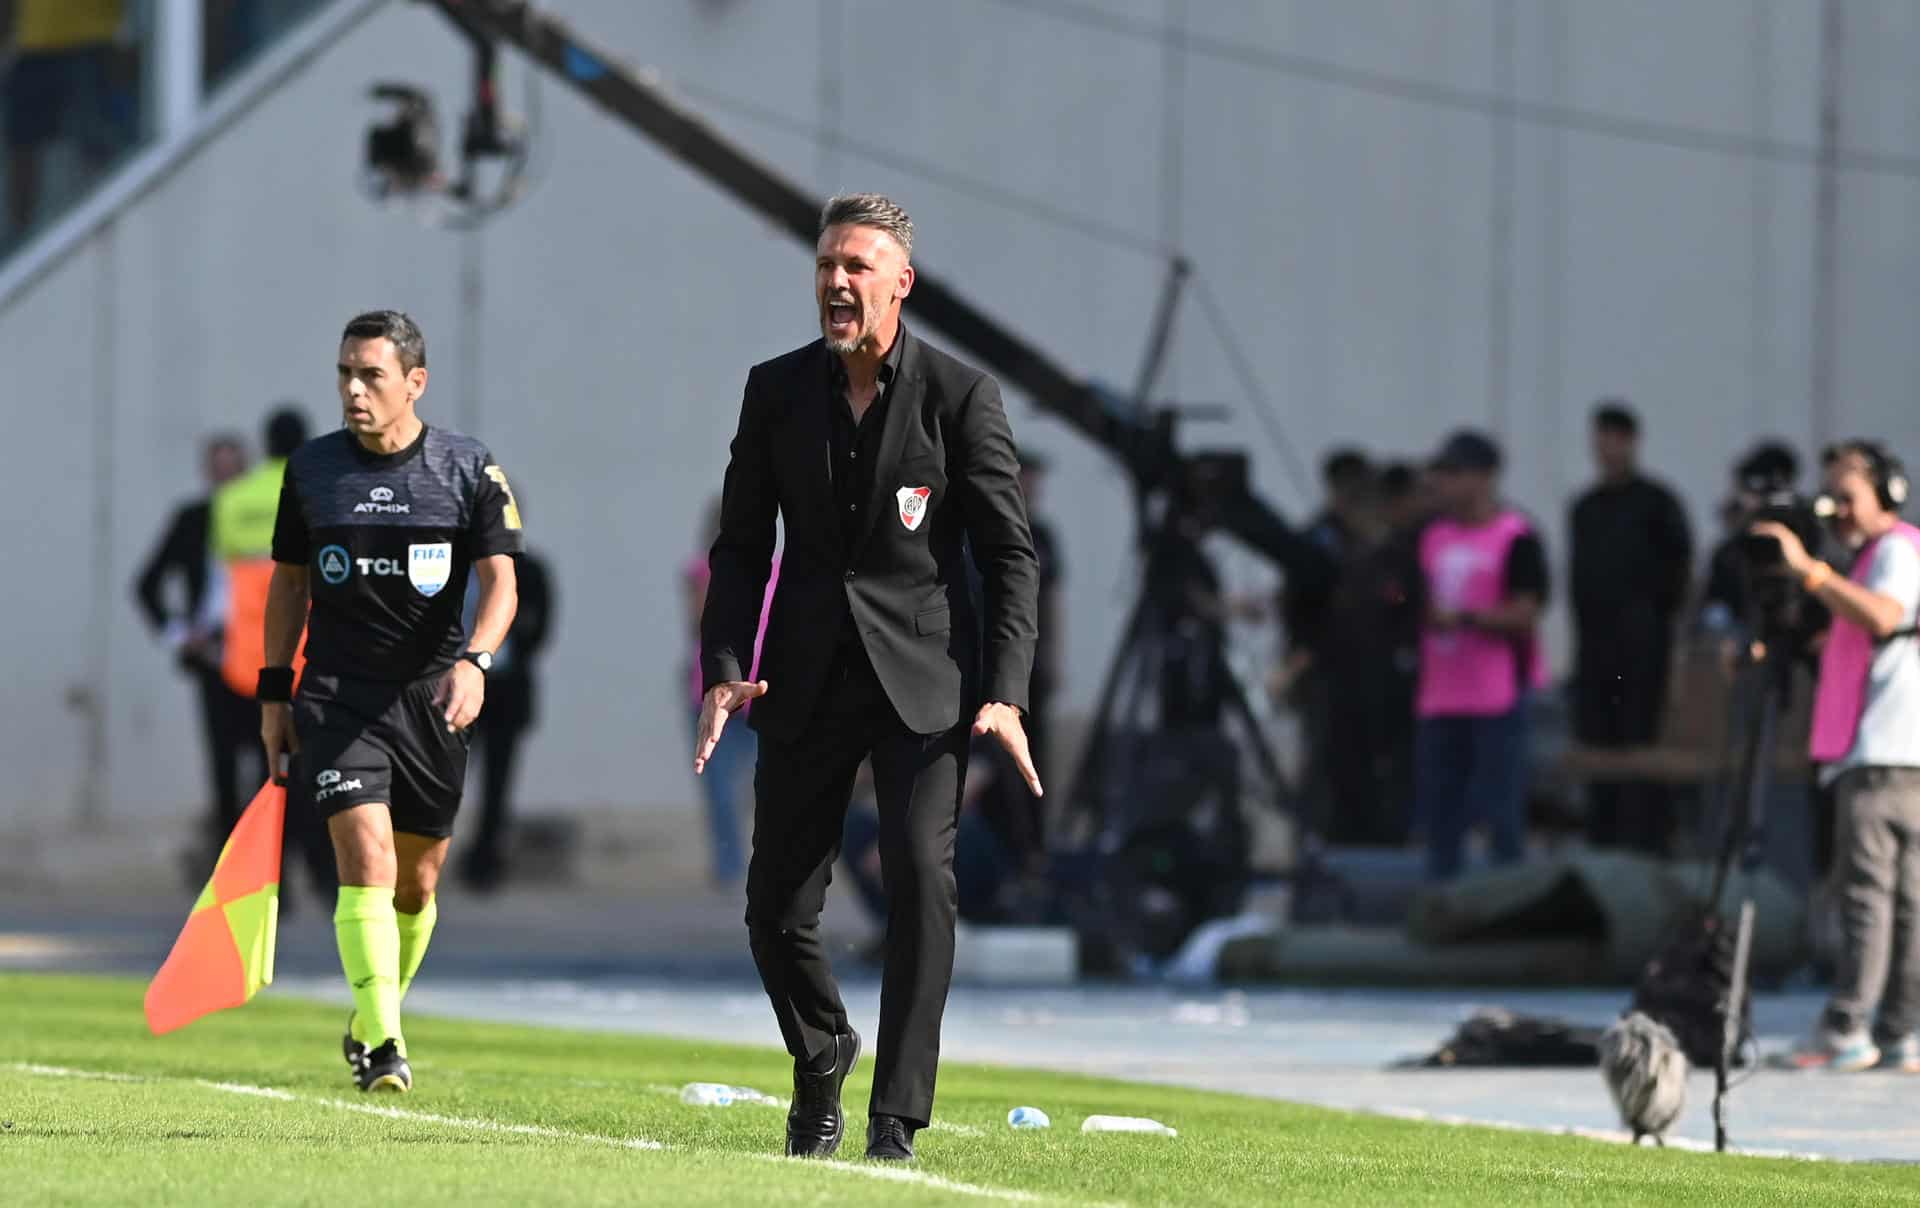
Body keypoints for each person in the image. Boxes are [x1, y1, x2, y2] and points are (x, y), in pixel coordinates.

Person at [696, 194, 1040, 1162]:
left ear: (900, 282)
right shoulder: (775, 389)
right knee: (776, 906)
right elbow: (739, 545)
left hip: (925, 678)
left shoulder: (961, 395)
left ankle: (897, 1115)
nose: (838, 282)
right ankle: (822, 1050)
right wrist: (726, 663)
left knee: (924, 878)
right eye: (826, 266)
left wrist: (1005, 691)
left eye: (858, 266)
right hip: (801, 676)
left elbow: (1010, 555)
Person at [261, 310, 523, 1094]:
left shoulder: (467, 467)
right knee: (365, 859)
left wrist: (477, 661)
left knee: (417, 884)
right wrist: (276, 692)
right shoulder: (311, 470)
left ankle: (373, 1014)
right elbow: (288, 585)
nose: (352, 389)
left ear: (415, 382)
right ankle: (383, 1044)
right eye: (344, 372)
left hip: (434, 699)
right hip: (338, 695)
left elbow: (503, 581)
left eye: (370, 374)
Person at [1765, 442, 1920, 1073]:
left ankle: (1848, 1026)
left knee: (1867, 896)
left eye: (1848, 495)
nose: (1838, 510)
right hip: (1901, 751)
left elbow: (1884, 617)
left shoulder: (1893, 553)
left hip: (1884, 752)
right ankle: (1901, 1029)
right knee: (1905, 899)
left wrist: (1811, 571)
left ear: (1888, 493)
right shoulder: (1878, 556)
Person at [1413, 430, 1549, 880]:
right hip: (1440, 696)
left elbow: (1526, 612)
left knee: (1501, 813)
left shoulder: (1516, 536)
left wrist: (1465, 619)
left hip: (1496, 697)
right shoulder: (1430, 536)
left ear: (1485, 477)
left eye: (1455, 473)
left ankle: (1505, 904)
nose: (1445, 484)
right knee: (1440, 816)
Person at [1569, 402, 1693, 856]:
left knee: (1641, 745)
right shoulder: (1586, 508)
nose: (1606, 449)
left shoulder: (1657, 504)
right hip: (1597, 653)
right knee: (1600, 748)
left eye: (1614, 438)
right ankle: (1602, 847)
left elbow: (1677, 575)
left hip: (1642, 651)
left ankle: (1644, 846)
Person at [133, 434, 251, 874]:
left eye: (233, 469)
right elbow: (146, 585)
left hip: (260, 656)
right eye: (218, 469)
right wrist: (180, 634)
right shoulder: (192, 520)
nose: (226, 478)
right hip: (214, 658)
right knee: (222, 765)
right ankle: (229, 867)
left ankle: (268, 867)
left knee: (268, 768)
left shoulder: (267, 517)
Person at [684, 499, 777, 887]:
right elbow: (698, 623)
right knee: (720, 787)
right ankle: (729, 867)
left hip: (762, 690)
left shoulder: (779, 570)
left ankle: (768, 862)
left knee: (767, 786)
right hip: (714, 691)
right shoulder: (701, 571)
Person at [458, 543, 555, 893]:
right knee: (445, 777)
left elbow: (540, 627)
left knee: (497, 784)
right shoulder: (456, 564)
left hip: (504, 690)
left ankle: (485, 861)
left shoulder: (530, 570)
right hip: (457, 687)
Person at [3, 0, 129, 238]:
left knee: (95, 144)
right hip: (33, 43)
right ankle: (19, 235)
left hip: (94, 37)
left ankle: (105, 222)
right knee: (22, 145)